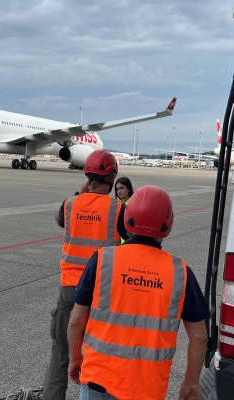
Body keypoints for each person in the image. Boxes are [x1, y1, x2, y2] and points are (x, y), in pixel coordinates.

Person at [67, 185, 209, 400]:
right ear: (168, 224)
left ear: (127, 218)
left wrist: (75, 358)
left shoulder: (103, 260)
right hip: (147, 389)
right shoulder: (181, 273)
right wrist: (190, 383)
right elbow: (199, 337)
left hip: (98, 381)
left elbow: (76, 321)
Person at [44, 150, 128, 400]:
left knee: (60, 354)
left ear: (87, 176)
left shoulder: (70, 204)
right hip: (102, 292)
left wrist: (81, 193)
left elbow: (61, 221)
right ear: (112, 177)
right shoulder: (118, 209)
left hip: (70, 288)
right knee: (101, 357)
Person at [114, 177, 135, 244]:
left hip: (128, 242)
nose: (119, 191)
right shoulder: (116, 205)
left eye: (121, 188)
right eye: (117, 189)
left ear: (128, 189)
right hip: (117, 243)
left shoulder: (133, 204)